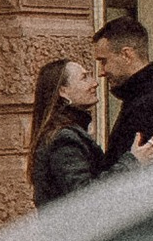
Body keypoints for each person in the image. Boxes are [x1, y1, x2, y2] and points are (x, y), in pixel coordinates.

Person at [95, 16, 153, 170]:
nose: (102, 72)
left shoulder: (150, 104)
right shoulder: (141, 98)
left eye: (104, 61)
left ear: (127, 55)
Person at [26, 54, 106, 207]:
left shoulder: (66, 132)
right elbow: (84, 194)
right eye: (84, 78)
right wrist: (131, 162)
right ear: (63, 91)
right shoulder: (63, 139)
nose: (95, 83)